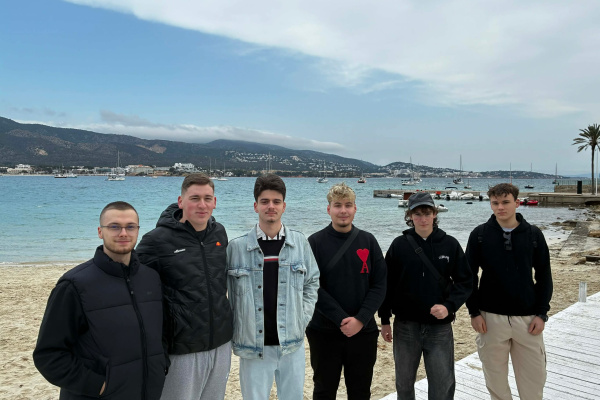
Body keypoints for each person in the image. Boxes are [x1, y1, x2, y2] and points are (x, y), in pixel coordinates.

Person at [33, 201, 166, 400]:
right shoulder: (74, 285)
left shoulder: (151, 278)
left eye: (130, 226)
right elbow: (48, 355)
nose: (123, 233)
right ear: (100, 231)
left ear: (138, 230)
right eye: (114, 226)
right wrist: (99, 386)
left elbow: (160, 334)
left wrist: (162, 364)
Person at [136, 173, 233, 400]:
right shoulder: (156, 240)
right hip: (182, 349)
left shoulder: (219, 233)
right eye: (194, 198)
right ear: (181, 202)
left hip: (220, 343)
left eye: (207, 198)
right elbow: (134, 285)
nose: (202, 205)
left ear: (215, 202)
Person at [226, 173, 320, 400]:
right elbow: (223, 293)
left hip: (292, 344)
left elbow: (312, 282)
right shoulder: (236, 248)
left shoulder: (299, 243)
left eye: (276, 201)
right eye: (265, 201)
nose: (271, 206)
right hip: (252, 347)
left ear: (284, 206)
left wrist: (302, 318)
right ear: (255, 206)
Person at [378, 192, 472, 400]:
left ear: (434, 214)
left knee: (442, 384)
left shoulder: (450, 244)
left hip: (439, 328)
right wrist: (384, 320)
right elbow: (386, 285)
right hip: (405, 326)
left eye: (427, 213)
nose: (422, 218)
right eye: (417, 214)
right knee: (404, 384)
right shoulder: (399, 245)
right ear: (410, 216)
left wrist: (449, 306)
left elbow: (465, 282)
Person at [466, 183, 552, 400]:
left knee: (534, 381)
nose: (500, 207)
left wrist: (542, 313)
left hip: (528, 319)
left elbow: (544, 276)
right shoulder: (479, 235)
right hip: (490, 318)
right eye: (495, 203)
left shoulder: (533, 235)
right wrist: (474, 312)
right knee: (495, 381)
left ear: (517, 203)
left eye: (505, 202)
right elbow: (468, 277)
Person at [307, 182, 387, 399]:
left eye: (348, 205)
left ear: (355, 208)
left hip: (363, 331)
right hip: (324, 332)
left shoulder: (368, 241)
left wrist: (360, 319)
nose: (343, 210)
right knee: (324, 390)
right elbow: (312, 285)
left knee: (360, 391)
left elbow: (380, 284)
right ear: (328, 209)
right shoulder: (315, 242)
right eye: (338, 205)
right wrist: (341, 319)